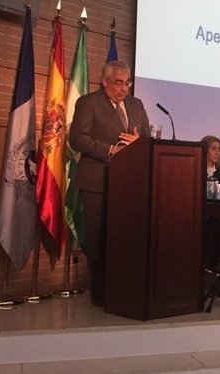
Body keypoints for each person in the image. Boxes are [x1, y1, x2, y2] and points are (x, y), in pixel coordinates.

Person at [69, 60, 150, 306]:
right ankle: (101, 292)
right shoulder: (89, 103)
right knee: (99, 236)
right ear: (104, 82)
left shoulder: (136, 105)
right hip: (97, 181)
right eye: (118, 83)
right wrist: (111, 149)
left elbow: (147, 137)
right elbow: (77, 138)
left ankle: (123, 288)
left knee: (124, 235)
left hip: (129, 183)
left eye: (127, 83)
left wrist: (140, 142)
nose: (124, 88)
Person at [201, 135, 220, 200]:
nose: (217, 153)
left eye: (219, 149)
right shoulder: (199, 174)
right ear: (205, 150)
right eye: (213, 148)